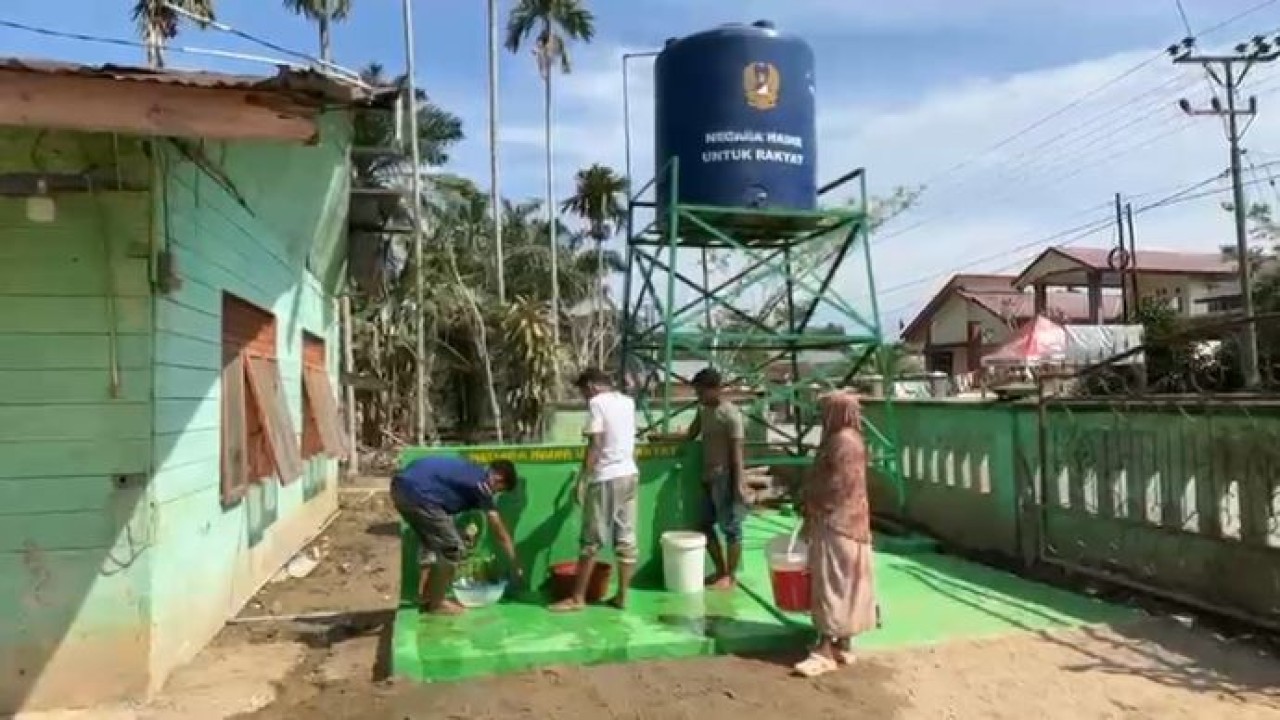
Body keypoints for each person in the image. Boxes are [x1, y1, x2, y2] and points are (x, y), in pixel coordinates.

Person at [793, 392, 879, 678]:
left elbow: (834, 486)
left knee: (830, 583)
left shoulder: (839, 442)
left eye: (825, 410)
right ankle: (844, 644)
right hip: (856, 524)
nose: (821, 415)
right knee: (851, 584)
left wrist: (808, 502)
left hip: (834, 522)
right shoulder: (855, 440)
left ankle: (824, 650)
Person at [551, 368, 640, 611]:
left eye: (582, 392)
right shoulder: (627, 402)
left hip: (607, 477)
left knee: (591, 540)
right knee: (626, 541)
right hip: (630, 474)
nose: (584, 398)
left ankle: (577, 598)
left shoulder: (597, 403)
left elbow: (597, 443)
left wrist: (583, 478)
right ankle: (622, 596)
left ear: (590, 386)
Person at [390, 455, 523, 615]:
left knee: (434, 543)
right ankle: (437, 603)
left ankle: (426, 596)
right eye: (499, 490)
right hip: (419, 494)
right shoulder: (483, 485)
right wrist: (515, 563)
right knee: (453, 549)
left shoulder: (471, 471)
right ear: (498, 478)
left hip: (401, 486)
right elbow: (499, 530)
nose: (495, 494)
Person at [686, 367, 748, 590]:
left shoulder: (730, 414)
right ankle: (720, 569)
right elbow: (690, 435)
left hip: (725, 476)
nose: (698, 396)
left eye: (701, 392)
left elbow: (737, 452)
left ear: (715, 389)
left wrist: (739, 483)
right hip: (708, 476)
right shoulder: (704, 412)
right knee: (704, 524)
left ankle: (731, 576)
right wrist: (664, 438)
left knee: (731, 528)